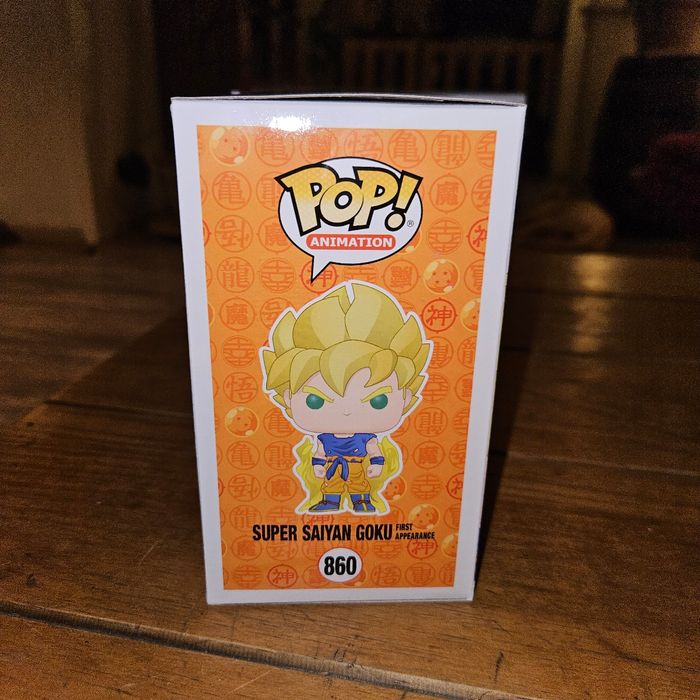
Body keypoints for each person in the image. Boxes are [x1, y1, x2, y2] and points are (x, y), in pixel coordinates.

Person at [261, 282, 431, 514]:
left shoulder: (366, 438)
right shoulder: (324, 439)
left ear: (406, 396)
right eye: (315, 400)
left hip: (357, 466)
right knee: (331, 485)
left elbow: (375, 451)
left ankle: (361, 501)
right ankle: (330, 501)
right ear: (288, 398)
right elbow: (319, 453)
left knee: (359, 484)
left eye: (378, 400)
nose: (347, 411)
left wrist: (377, 465)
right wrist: (318, 466)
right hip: (333, 467)